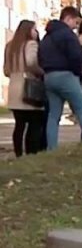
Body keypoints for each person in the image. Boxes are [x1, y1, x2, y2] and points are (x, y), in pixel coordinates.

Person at [38, 6, 82, 150]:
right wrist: (77, 73)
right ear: (68, 18)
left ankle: (51, 148)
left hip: (49, 77)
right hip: (66, 76)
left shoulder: (47, 36)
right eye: (76, 22)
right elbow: (76, 57)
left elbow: (39, 57)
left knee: (54, 115)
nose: (76, 27)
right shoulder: (68, 35)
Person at [3, 20, 45, 157]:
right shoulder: (31, 44)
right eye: (34, 29)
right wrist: (41, 72)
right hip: (28, 87)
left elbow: (6, 70)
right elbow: (31, 62)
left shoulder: (10, 46)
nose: (36, 32)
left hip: (14, 87)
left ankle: (18, 154)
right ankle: (31, 153)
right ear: (28, 31)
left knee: (19, 124)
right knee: (34, 123)